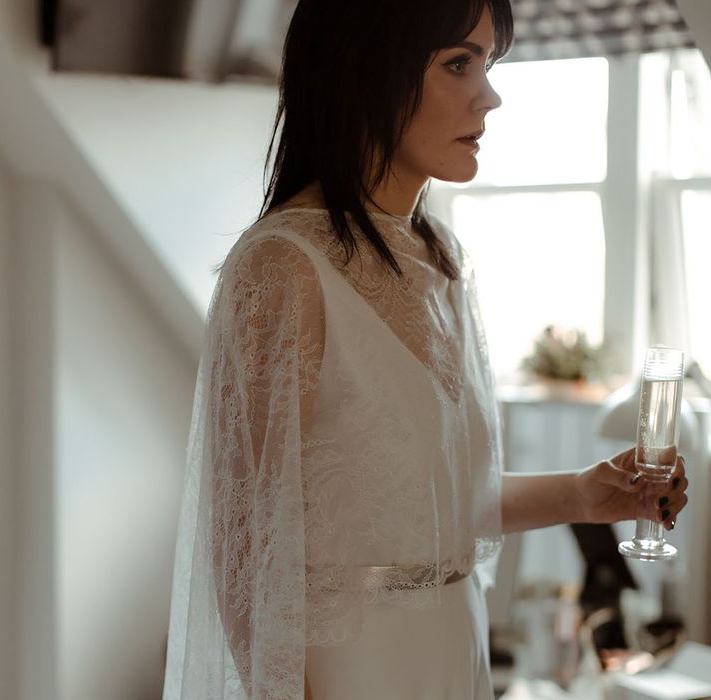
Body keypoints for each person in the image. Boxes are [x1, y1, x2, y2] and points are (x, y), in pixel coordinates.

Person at [162, 0, 690, 698]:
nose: (491, 96)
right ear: (366, 71)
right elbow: (243, 552)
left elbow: (427, 512)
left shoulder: (443, 259)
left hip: (455, 655)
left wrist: (584, 495)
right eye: (458, 64)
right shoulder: (282, 267)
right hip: (352, 672)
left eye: (487, 64)